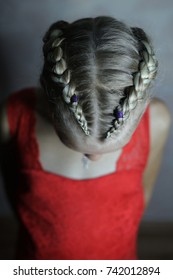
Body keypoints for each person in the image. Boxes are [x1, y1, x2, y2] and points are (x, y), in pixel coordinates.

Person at [0, 16, 171, 260]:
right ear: (51, 107)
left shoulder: (158, 121)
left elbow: (142, 197)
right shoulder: (12, 119)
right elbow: (14, 191)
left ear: (142, 108)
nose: (95, 157)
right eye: (72, 144)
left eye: (115, 148)